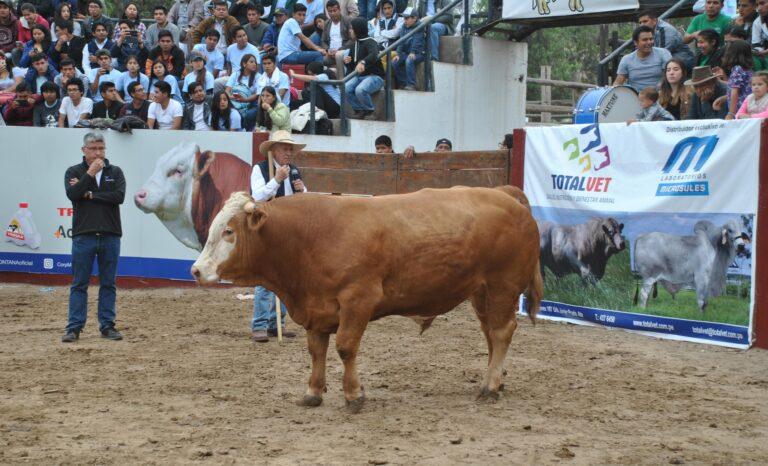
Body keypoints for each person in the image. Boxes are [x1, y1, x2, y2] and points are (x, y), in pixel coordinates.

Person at [62, 132, 126, 343]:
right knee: (79, 283)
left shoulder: (115, 171)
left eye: (101, 148)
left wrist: (90, 194)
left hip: (110, 235)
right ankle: (74, 328)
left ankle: (107, 326)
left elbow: (119, 197)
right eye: (93, 148)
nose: (98, 152)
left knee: (109, 283)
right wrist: (89, 174)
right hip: (84, 235)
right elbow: (72, 195)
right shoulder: (73, 171)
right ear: (84, 150)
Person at [249, 130, 306, 342]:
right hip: (266, 230)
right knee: (265, 281)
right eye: (285, 149)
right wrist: (276, 180)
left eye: (291, 149)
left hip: (288, 232)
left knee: (283, 280)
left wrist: (303, 191)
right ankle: (260, 325)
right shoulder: (260, 169)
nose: (289, 153)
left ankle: (276, 324)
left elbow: (301, 202)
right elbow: (257, 198)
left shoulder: (294, 171)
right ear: (273, 150)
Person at [344, 16, 384, 119]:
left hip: (375, 76)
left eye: (352, 28)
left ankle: (370, 112)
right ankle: (359, 110)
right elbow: (353, 67)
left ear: (358, 29)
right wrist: (347, 62)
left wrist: (363, 62)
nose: (350, 31)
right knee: (346, 88)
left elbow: (373, 54)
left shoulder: (371, 41)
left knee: (360, 90)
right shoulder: (354, 45)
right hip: (360, 77)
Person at [614, 25, 672, 92]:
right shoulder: (626, 60)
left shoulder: (663, 53)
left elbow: (671, 75)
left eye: (651, 39)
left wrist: (660, 87)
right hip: (636, 97)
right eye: (645, 40)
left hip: (660, 95)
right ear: (635, 42)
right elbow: (618, 83)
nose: (649, 42)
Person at [716, 39, 754, 119]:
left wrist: (731, 113)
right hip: (748, 109)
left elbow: (735, 92)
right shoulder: (747, 70)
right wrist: (724, 98)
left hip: (739, 112)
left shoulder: (737, 69)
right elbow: (741, 90)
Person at [392, 8, 424, 91]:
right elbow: (401, 41)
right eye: (404, 18)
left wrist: (413, 51)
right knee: (394, 62)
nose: (404, 20)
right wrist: (398, 54)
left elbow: (417, 40)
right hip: (407, 53)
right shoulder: (404, 26)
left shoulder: (420, 26)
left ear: (415, 18)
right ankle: (403, 83)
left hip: (418, 53)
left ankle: (411, 84)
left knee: (409, 60)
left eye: (407, 18)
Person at [226, 53, 260, 125]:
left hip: (249, 102)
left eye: (255, 62)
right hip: (233, 100)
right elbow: (227, 91)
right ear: (244, 64)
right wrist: (231, 97)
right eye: (251, 62)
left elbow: (257, 94)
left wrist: (244, 100)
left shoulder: (258, 76)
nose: (254, 64)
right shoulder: (235, 74)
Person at [321, 0, 354, 77]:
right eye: (330, 11)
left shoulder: (348, 20)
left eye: (335, 10)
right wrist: (328, 50)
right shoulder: (326, 23)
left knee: (338, 55)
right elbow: (323, 40)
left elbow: (352, 39)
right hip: (331, 53)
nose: (332, 13)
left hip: (345, 50)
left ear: (340, 10)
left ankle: (341, 81)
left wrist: (340, 49)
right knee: (320, 59)